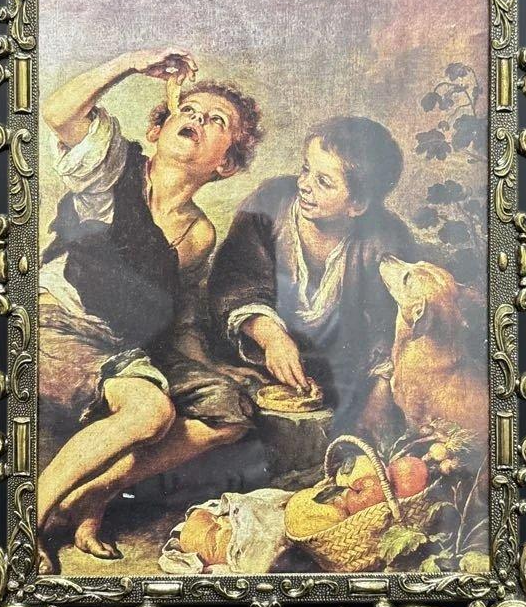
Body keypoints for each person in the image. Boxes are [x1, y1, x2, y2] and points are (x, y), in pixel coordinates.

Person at [36, 47, 263, 567]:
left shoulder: (199, 233)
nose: (198, 119)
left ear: (225, 163)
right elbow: (58, 113)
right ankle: (30, 518)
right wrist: (132, 63)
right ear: (158, 130)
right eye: (189, 109)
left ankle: (92, 494)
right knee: (151, 411)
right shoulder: (112, 174)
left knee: (229, 411)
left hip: (121, 349)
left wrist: (210, 369)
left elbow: (177, 322)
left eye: (217, 121)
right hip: (58, 323)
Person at [209, 116, 416, 441]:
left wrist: (380, 392)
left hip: (339, 378)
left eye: (324, 182)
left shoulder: (385, 239)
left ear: (357, 204)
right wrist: (272, 337)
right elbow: (235, 278)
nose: (304, 184)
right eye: (306, 170)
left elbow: (389, 327)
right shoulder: (272, 202)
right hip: (252, 360)